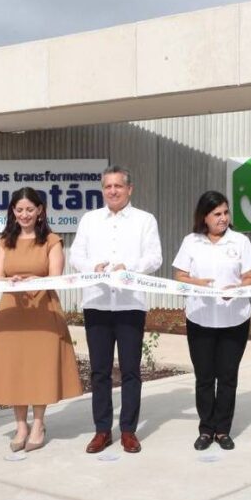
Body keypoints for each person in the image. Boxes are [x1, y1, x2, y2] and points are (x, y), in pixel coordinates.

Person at [0, 187, 81, 452]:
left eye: (30, 210)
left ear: (40, 211)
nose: (24, 215)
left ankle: (39, 424)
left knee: (39, 366)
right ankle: (21, 425)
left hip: (42, 310)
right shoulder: (5, 241)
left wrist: (38, 280)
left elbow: (56, 277)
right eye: (20, 210)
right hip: (12, 310)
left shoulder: (52, 241)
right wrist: (8, 280)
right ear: (13, 211)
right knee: (16, 366)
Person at [71, 166, 162, 454]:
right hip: (97, 303)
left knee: (131, 370)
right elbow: (76, 255)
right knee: (99, 371)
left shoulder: (145, 220)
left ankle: (128, 431)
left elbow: (155, 257)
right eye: (108, 186)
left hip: (129, 304)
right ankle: (102, 430)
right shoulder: (89, 220)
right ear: (103, 190)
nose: (113, 191)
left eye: (118, 186)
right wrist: (92, 266)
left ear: (129, 189)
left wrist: (129, 268)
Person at [172, 191, 251, 451]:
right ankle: (206, 429)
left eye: (225, 212)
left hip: (234, 319)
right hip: (200, 318)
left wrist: (238, 287)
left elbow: (250, 276)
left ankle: (222, 430)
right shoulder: (191, 242)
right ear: (204, 217)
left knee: (227, 376)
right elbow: (179, 275)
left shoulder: (240, 241)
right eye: (217, 214)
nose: (223, 218)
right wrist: (196, 283)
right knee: (204, 377)